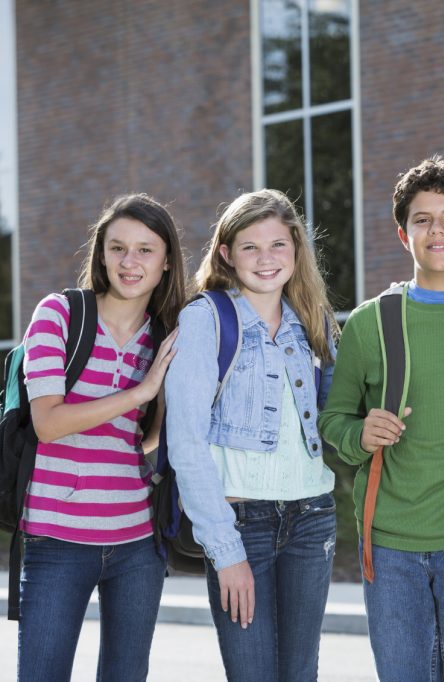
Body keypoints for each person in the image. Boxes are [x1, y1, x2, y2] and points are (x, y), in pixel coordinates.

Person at [318, 157, 444, 681]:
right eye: (422, 219)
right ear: (404, 234)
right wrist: (359, 433)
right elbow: (333, 420)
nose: (437, 230)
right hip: (391, 546)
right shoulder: (369, 323)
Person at [165, 189, 339, 680]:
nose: (266, 259)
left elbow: (332, 418)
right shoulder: (206, 318)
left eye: (278, 245)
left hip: (312, 517)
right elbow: (186, 442)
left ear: (296, 249)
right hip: (242, 523)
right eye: (250, 247)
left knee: (300, 672)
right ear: (226, 253)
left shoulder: (314, 321)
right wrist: (225, 548)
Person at [17, 194, 186, 681]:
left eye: (145, 250)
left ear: (166, 261)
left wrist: (165, 404)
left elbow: (146, 446)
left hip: (137, 543)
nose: (129, 263)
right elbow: (48, 422)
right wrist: (143, 391)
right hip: (57, 538)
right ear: (102, 254)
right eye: (118, 248)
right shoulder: (60, 315)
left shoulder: (164, 337)